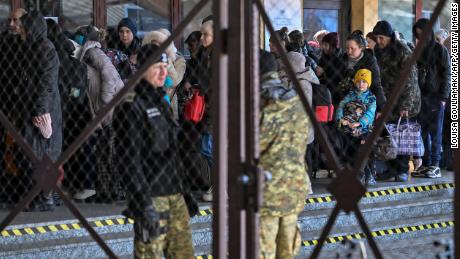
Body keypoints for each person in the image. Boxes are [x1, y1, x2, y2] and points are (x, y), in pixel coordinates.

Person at [113, 44, 194, 259]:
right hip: (151, 196)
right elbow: (128, 159)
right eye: (157, 67)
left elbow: (172, 153)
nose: (163, 72)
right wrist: (142, 201)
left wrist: (185, 193)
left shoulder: (161, 101)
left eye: (165, 67)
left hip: (174, 194)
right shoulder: (131, 105)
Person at [258, 50, 311, 259]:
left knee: (263, 251)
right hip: (294, 187)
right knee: (287, 252)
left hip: (266, 192)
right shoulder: (295, 100)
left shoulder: (258, 102)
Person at [72, 25, 125, 200]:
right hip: (102, 108)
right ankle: (106, 190)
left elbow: (109, 74)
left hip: (109, 108)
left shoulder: (93, 53)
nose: (76, 38)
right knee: (105, 149)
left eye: (79, 36)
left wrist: (105, 100)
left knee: (111, 149)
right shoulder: (86, 54)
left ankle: (114, 190)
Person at [17, 11, 62, 211]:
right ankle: (39, 197)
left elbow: (47, 83)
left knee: (44, 154)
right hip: (35, 107)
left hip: (42, 111)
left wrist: (40, 109)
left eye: (23, 27)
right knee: (36, 153)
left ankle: (45, 198)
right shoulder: (33, 48)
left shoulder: (45, 49)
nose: (20, 31)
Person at [372, 20, 421, 182]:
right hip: (387, 101)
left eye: (381, 38)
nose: (378, 42)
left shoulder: (403, 51)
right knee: (390, 136)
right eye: (376, 38)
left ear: (390, 37)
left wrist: (405, 105)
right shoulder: (377, 51)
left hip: (405, 101)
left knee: (402, 136)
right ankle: (392, 169)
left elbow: (410, 81)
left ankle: (402, 169)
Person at [411, 18, 451, 178]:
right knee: (422, 132)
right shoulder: (417, 51)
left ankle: (435, 164)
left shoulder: (440, 51)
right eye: (418, 35)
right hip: (421, 96)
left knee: (436, 132)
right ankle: (426, 163)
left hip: (435, 97)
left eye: (422, 34)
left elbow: (448, 75)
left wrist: (443, 97)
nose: (420, 38)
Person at [336, 69, 377, 185]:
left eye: (364, 82)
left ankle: (361, 175)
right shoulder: (350, 95)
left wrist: (360, 123)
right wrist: (341, 119)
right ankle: (364, 174)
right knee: (351, 151)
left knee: (362, 151)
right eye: (359, 81)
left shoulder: (371, 98)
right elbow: (341, 106)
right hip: (349, 127)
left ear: (368, 83)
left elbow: (370, 113)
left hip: (364, 129)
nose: (361, 84)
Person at [339, 31, 386, 114]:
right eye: (347, 48)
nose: (349, 51)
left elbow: (376, 85)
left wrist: (382, 109)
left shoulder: (369, 61)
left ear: (361, 48)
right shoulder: (341, 59)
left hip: (363, 104)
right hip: (342, 101)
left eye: (352, 48)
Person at [316, 32, 345, 106]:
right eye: (323, 44)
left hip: (336, 95)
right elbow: (319, 73)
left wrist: (323, 72)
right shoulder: (324, 56)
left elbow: (339, 78)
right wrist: (318, 73)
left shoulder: (341, 58)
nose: (323, 47)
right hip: (324, 94)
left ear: (332, 46)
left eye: (326, 45)